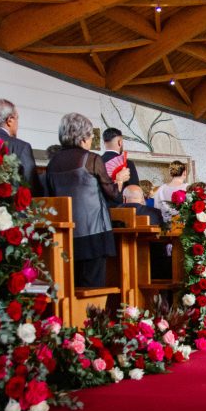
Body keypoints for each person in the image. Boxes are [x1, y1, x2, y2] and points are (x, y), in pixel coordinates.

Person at [41, 113, 130, 288]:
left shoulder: (53, 163)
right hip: (94, 233)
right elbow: (114, 194)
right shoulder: (91, 159)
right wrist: (119, 180)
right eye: (90, 136)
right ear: (82, 137)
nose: (90, 141)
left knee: (69, 287)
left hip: (65, 235)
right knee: (93, 288)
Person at [0, 98, 41, 195]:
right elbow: (31, 187)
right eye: (17, 118)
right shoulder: (21, 147)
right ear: (10, 120)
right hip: (11, 207)